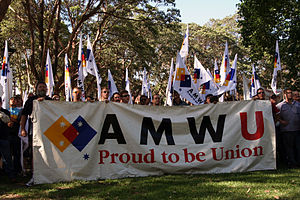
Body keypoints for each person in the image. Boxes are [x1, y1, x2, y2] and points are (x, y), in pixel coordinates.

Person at [276, 88, 300, 168]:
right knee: (289, 149)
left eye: (291, 93)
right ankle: (292, 163)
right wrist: (281, 121)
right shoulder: (280, 106)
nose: (290, 94)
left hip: (297, 130)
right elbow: (275, 116)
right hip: (286, 131)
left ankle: (298, 162)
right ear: (284, 95)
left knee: (298, 147)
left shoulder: (297, 104)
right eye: (288, 93)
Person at [0, 97, 16, 181]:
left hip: (3, 137)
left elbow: (10, 123)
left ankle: (11, 176)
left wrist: (9, 123)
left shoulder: (5, 112)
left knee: (7, 158)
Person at [8, 97, 22, 174]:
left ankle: (17, 169)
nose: (13, 101)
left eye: (15, 100)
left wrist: (11, 119)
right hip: (8, 135)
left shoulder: (20, 111)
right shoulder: (6, 111)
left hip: (16, 134)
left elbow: (20, 121)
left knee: (16, 153)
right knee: (8, 153)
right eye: (11, 100)